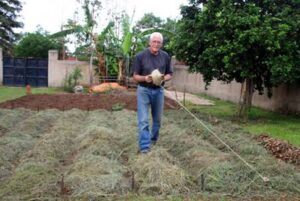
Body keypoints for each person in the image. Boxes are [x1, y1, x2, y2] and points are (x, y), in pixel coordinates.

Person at [133, 32, 173, 154]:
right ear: (150, 42)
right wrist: (145, 78)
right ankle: (145, 147)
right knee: (144, 120)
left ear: (161, 44)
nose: (156, 44)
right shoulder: (140, 56)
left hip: (158, 91)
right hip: (144, 90)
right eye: (154, 41)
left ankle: (153, 140)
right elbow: (135, 76)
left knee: (157, 120)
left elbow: (169, 73)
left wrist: (163, 78)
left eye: (158, 42)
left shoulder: (165, 56)